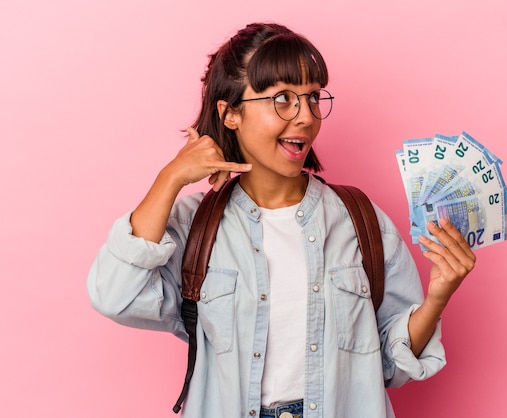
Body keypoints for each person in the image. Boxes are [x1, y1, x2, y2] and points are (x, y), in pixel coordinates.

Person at [87, 22, 476, 418]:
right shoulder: (195, 228)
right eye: (284, 99)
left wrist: (438, 296)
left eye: (312, 98)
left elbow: (393, 364)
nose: (306, 117)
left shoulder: (360, 220)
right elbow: (116, 295)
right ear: (231, 113)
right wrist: (169, 178)